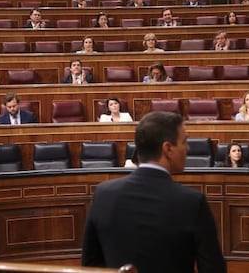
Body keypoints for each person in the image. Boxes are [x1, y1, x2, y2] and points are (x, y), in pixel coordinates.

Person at [81, 111, 227, 272]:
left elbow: (91, 264)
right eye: (184, 141)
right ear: (168, 149)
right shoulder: (191, 202)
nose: (188, 148)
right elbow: (213, 268)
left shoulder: (103, 194)